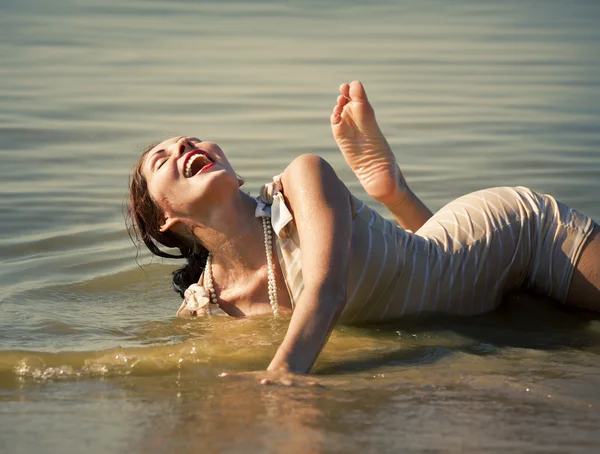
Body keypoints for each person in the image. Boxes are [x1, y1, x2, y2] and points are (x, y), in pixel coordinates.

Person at [127, 81, 600, 383]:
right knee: (426, 258)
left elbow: (328, 292)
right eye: (163, 159)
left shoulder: (302, 179)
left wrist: (282, 374)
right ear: (166, 219)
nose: (184, 144)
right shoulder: (206, 308)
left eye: (189, 139)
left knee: (441, 260)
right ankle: (393, 192)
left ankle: (392, 190)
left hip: (519, 237)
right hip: (454, 284)